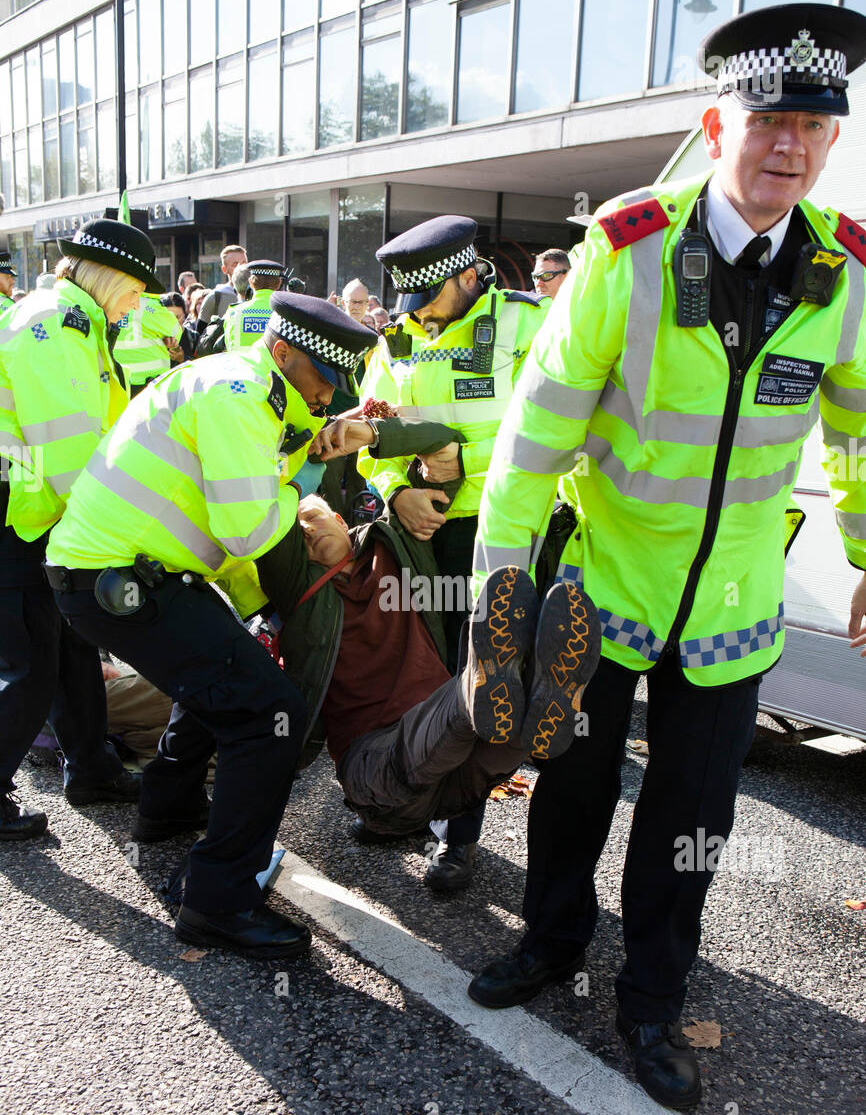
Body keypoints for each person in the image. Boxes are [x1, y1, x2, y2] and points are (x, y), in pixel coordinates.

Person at [468, 3, 866, 1111]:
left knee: (692, 823)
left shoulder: (845, 271)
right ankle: (550, 942)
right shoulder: (627, 249)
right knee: (571, 788)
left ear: (831, 143)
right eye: (766, 118)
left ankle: (650, 996)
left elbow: (858, 432)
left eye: (810, 126)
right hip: (604, 589)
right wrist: (500, 575)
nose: (786, 143)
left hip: (734, 605)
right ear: (715, 122)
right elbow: (533, 427)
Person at [45, 293, 377, 959]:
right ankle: (218, 904)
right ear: (284, 353)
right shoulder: (239, 397)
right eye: (323, 379)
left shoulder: (245, 388)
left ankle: (167, 811)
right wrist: (309, 475)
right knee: (268, 713)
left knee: (225, 676)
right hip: (120, 580)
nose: (327, 396)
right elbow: (249, 526)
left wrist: (260, 610)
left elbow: (224, 534)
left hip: (127, 573)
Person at [357, 215, 546, 890]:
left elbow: (558, 432)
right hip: (421, 534)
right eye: (412, 305)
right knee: (415, 678)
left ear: (469, 274)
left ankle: (456, 837)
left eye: (430, 301)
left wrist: (459, 462)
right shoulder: (399, 340)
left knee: (479, 687)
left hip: (500, 536)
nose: (420, 319)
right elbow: (373, 431)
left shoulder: (528, 326)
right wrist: (395, 490)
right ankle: (407, 806)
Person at [258, 492, 600, 844]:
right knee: (468, 702)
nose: (307, 529)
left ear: (341, 520)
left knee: (506, 729)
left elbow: (444, 472)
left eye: (313, 517)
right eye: (296, 532)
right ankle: (496, 689)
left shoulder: (392, 543)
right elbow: (264, 503)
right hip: (381, 774)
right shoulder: (300, 590)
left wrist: (398, 492)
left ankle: (542, 701)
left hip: (458, 781)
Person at [0, 219, 162, 838]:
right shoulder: (55, 329)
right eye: (137, 289)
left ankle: (91, 767)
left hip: (33, 512)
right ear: (109, 277)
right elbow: (68, 454)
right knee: (30, 666)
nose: (140, 303)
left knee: (71, 648)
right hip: (18, 518)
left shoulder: (73, 322)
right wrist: (109, 530)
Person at [113, 285, 183, 392]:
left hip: (117, 381)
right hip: (150, 385)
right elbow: (176, 332)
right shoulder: (150, 306)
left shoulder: (114, 301)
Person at [222, 259, 284, 351]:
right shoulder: (285, 314)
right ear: (279, 283)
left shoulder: (234, 312)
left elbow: (228, 345)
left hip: (241, 365)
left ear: (250, 282)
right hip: (272, 365)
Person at [197, 245, 247, 325]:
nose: (241, 268)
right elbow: (200, 333)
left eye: (244, 263)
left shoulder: (257, 294)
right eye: (235, 264)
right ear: (224, 269)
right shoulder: (215, 297)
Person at [160, 292, 196, 361]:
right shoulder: (154, 338)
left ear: (184, 314)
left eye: (177, 317)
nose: (173, 322)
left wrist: (183, 359)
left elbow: (201, 365)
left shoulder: (193, 338)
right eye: (169, 318)